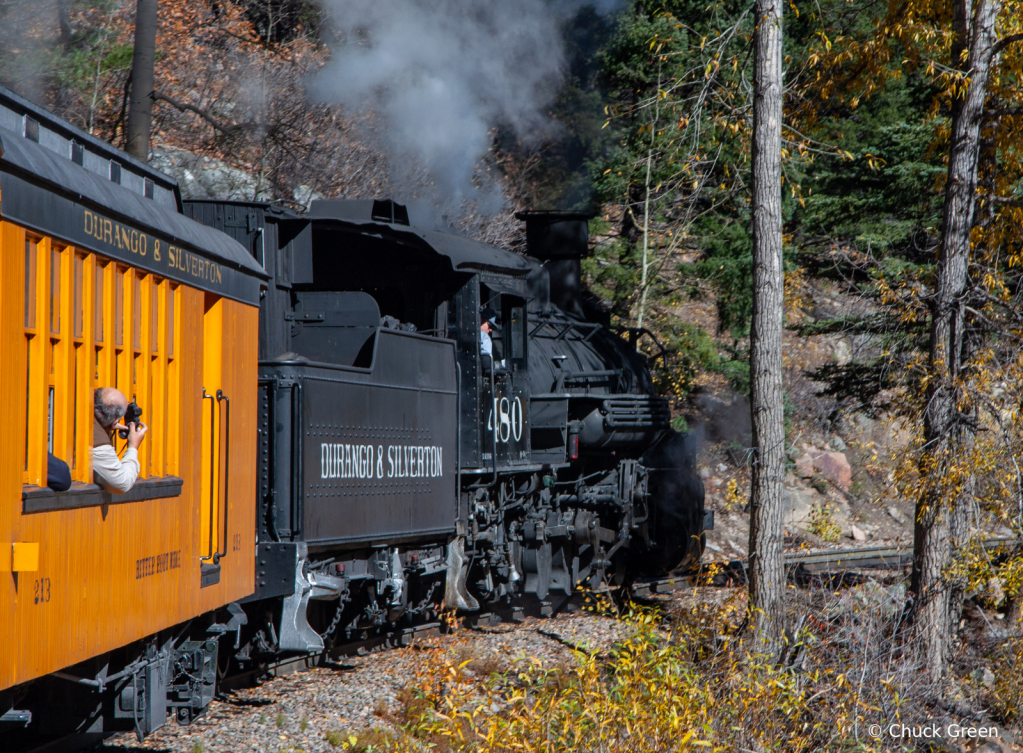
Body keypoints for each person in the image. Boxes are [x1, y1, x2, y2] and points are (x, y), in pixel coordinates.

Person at [93, 387, 147, 494]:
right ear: (116, 420)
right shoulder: (98, 442)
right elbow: (122, 484)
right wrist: (133, 447)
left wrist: (107, 426)